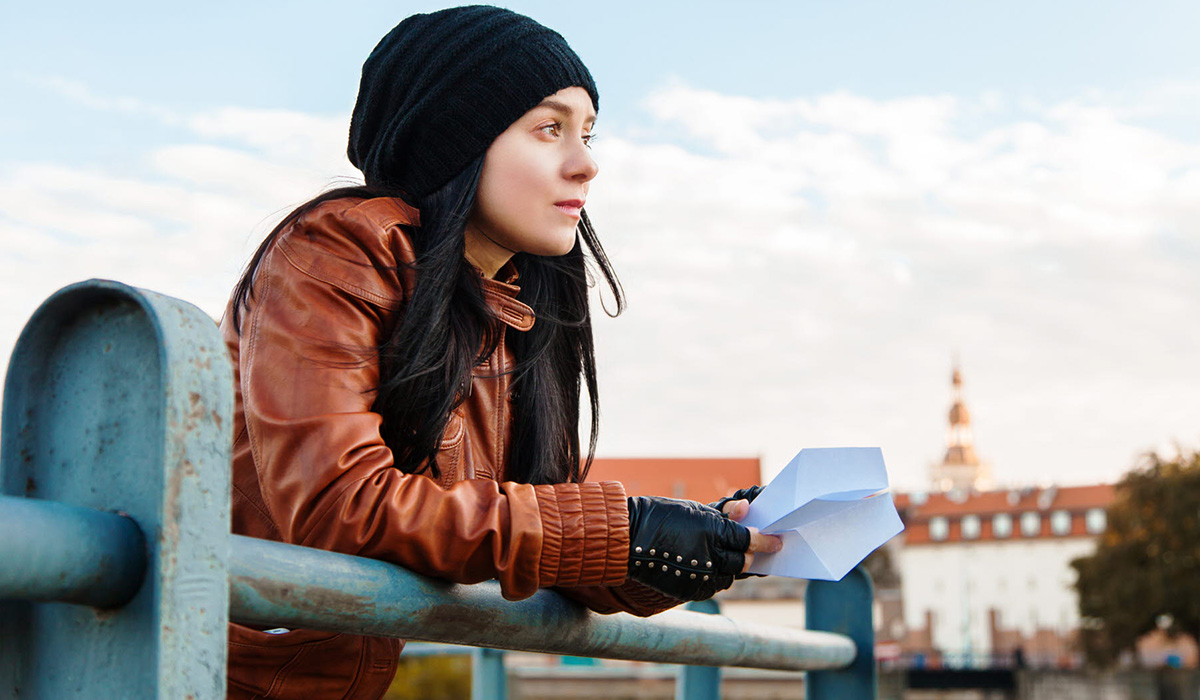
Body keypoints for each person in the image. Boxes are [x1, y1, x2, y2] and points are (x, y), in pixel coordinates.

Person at [220, 6, 780, 699]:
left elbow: (550, 537)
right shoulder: (334, 251)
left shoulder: (508, 309)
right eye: (550, 129)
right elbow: (342, 507)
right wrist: (626, 530)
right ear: (457, 138)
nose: (587, 164)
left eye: (588, 133)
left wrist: (703, 546)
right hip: (197, 675)